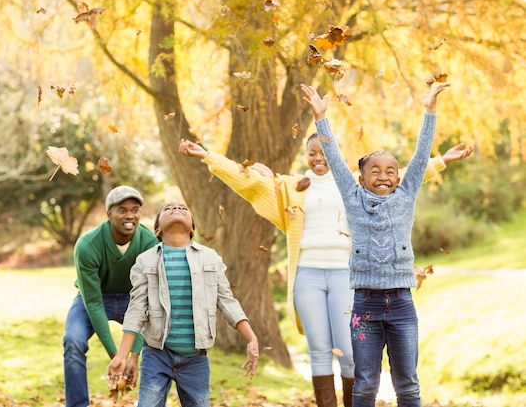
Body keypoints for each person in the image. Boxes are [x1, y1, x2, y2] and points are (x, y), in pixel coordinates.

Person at [178, 124, 472, 406]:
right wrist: (207, 156)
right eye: (312, 153)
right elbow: (248, 181)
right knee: (319, 351)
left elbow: (404, 176)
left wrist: (442, 160)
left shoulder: (353, 188)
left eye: (324, 152)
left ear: (334, 154)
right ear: (307, 156)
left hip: (347, 276)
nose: (319, 159)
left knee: (348, 352)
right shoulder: (291, 187)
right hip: (308, 275)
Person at [301, 81, 450, 407]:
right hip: (365, 307)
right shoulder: (353, 197)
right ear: (362, 178)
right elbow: (336, 159)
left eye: (391, 171)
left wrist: (430, 111)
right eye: (375, 171)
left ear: (399, 177)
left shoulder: (406, 194)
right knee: (365, 385)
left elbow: (422, 154)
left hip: (401, 304)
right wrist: (321, 117)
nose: (384, 176)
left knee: (408, 385)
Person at [107, 201, 259, 407]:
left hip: (195, 359)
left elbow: (226, 301)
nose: (176, 208)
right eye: (168, 209)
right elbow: (135, 311)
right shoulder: (146, 261)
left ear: (193, 229)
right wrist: (122, 356)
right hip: (157, 354)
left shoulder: (209, 258)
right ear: (158, 229)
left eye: (183, 208)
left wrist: (251, 338)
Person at [63, 186, 158, 407]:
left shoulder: (149, 243)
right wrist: (117, 356)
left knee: (161, 339)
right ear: (109, 214)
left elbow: (148, 301)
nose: (130, 216)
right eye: (122, 210)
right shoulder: (87, 245)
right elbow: (94, 303)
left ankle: (151, 402)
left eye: (134, 210)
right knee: (72, 341)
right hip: (95, 298)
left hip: (133, 300)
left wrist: (133, 355)